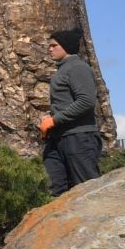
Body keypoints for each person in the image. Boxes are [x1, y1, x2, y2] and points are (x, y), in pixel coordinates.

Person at [39, 28, 101, 194]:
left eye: (54, 45)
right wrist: (51, 119)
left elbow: (86, 101)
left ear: (66, 46)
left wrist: (54, 120)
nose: (49, 49)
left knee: (86, 189)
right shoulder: (63, 70)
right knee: (53, 187)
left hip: (79, 138)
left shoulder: (77, 68)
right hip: (59, 138)